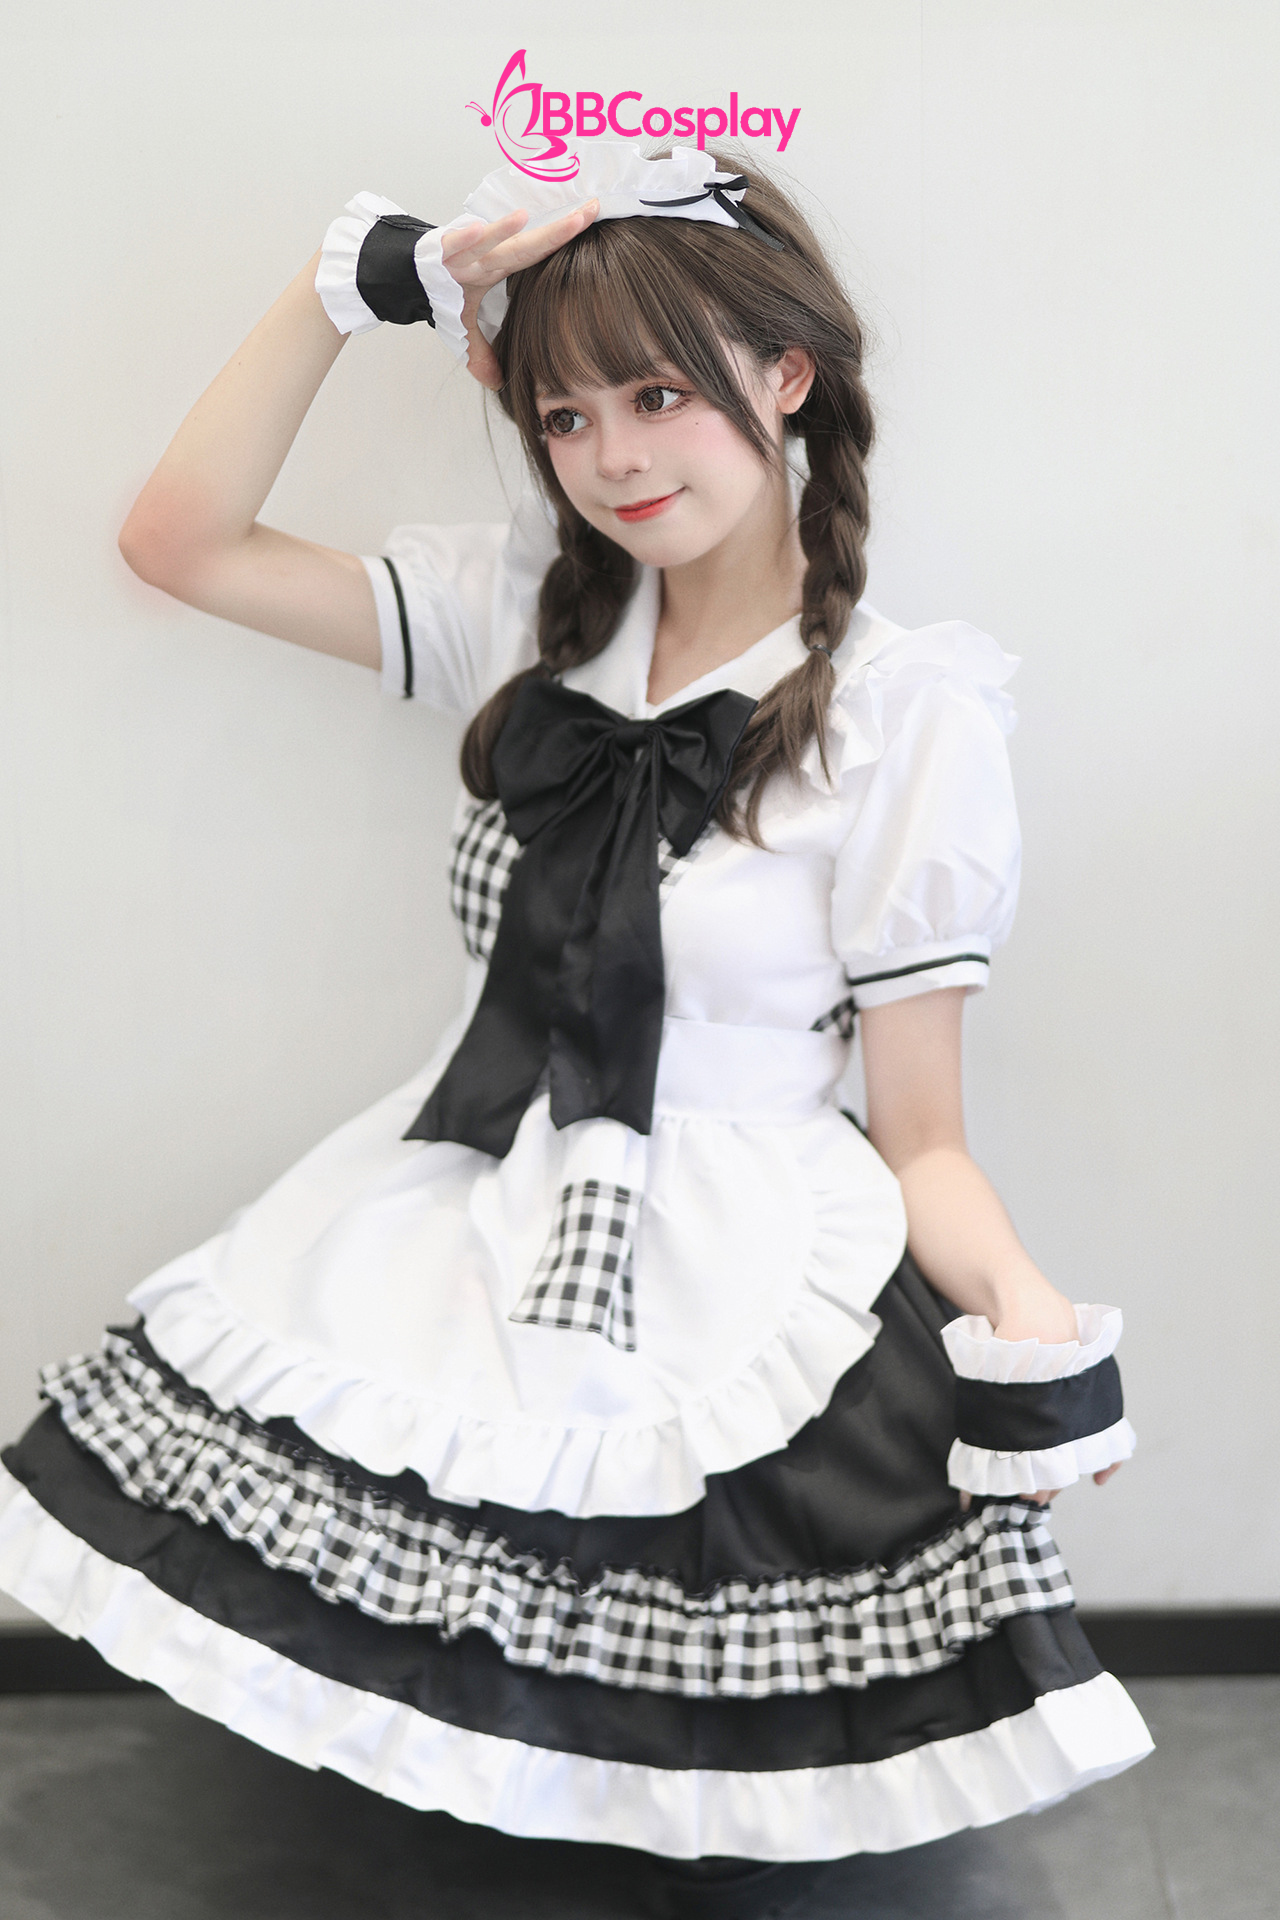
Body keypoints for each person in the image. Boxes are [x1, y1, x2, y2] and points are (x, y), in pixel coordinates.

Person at [0, 143, 1151, 1915]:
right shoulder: (529, 613)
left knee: (694, 1788)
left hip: (741, 1239)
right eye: (564, 414)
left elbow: (923, 1135)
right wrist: (350, 281)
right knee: (465, 1787)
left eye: (660, 395)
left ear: (787, 376)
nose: (613, 457)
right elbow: (181, 543)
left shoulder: (906, 712)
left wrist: (1025, 1308)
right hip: (473, 1195)